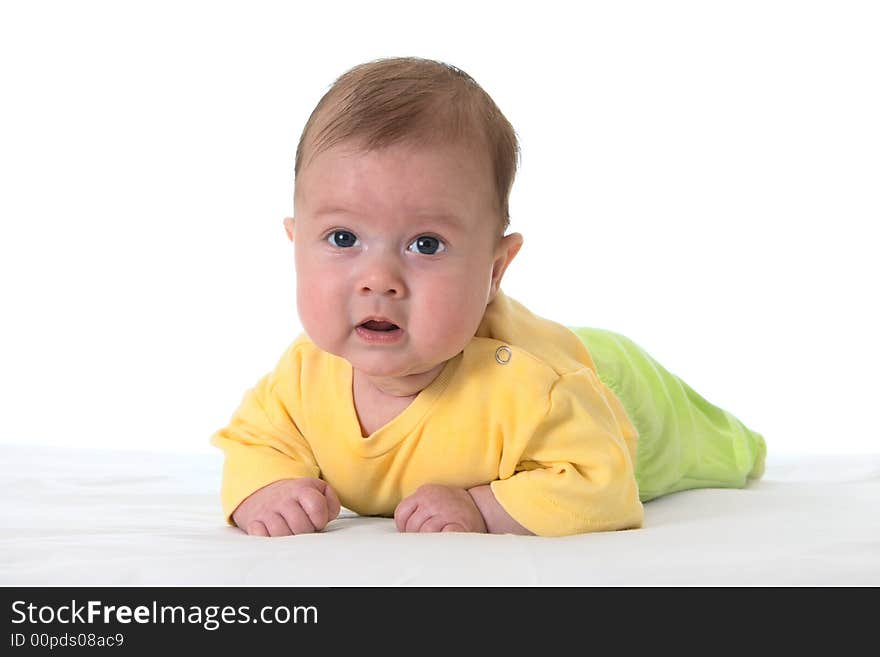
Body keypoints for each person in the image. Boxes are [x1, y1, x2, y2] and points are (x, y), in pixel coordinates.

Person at [210, 56, 766, 538]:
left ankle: (744, 443)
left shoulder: (536, 389)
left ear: (495, 268)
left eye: (426, 244)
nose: (378, 279)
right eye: (342, 239)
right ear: (296, 245)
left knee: (720, 450)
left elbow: (604, 483)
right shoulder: (305, 375)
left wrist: (481, 505)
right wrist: (267, 488)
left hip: (613, 385)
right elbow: (255, 443)